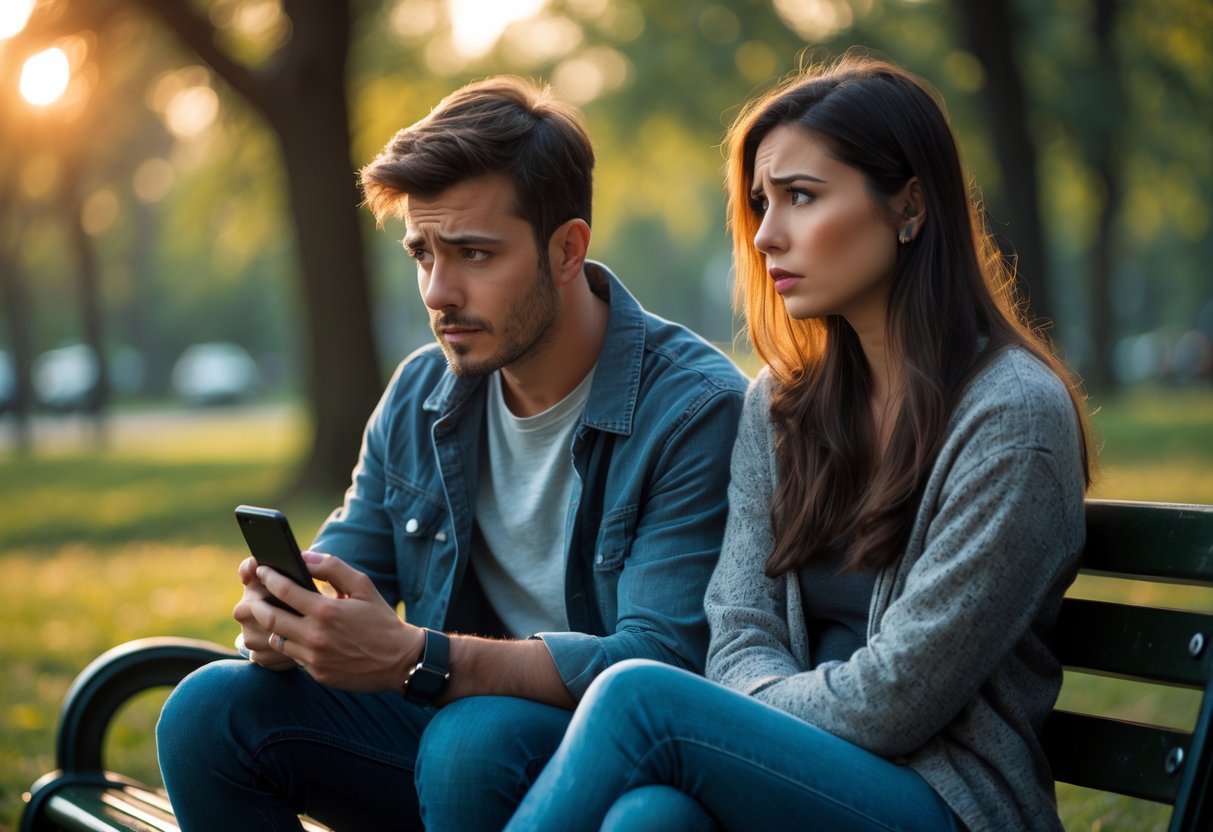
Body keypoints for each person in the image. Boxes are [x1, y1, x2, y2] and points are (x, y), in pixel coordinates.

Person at [505, 54, 1092, 832]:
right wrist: (742, 726)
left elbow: (895, 698)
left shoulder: (1011, 419)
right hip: (794, 777)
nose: (766, 234)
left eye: (801, 198)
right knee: (651, 820)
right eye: (759, 202)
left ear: (908, 207)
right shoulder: (782, 407)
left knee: (637, 695)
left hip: (947, 803)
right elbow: (738, 629)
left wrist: (740, 720)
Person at [155, 76, 747, 832]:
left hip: (610, 754)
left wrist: (419, 658)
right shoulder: (420, 391)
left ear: (567, 249)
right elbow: (349, 560)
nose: (437, 291)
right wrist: (291, 621)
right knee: (209, 709)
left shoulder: (693, 409)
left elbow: (658, 664)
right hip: (446, 733)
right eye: (422, 254)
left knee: (475, 740)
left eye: (473, 253)